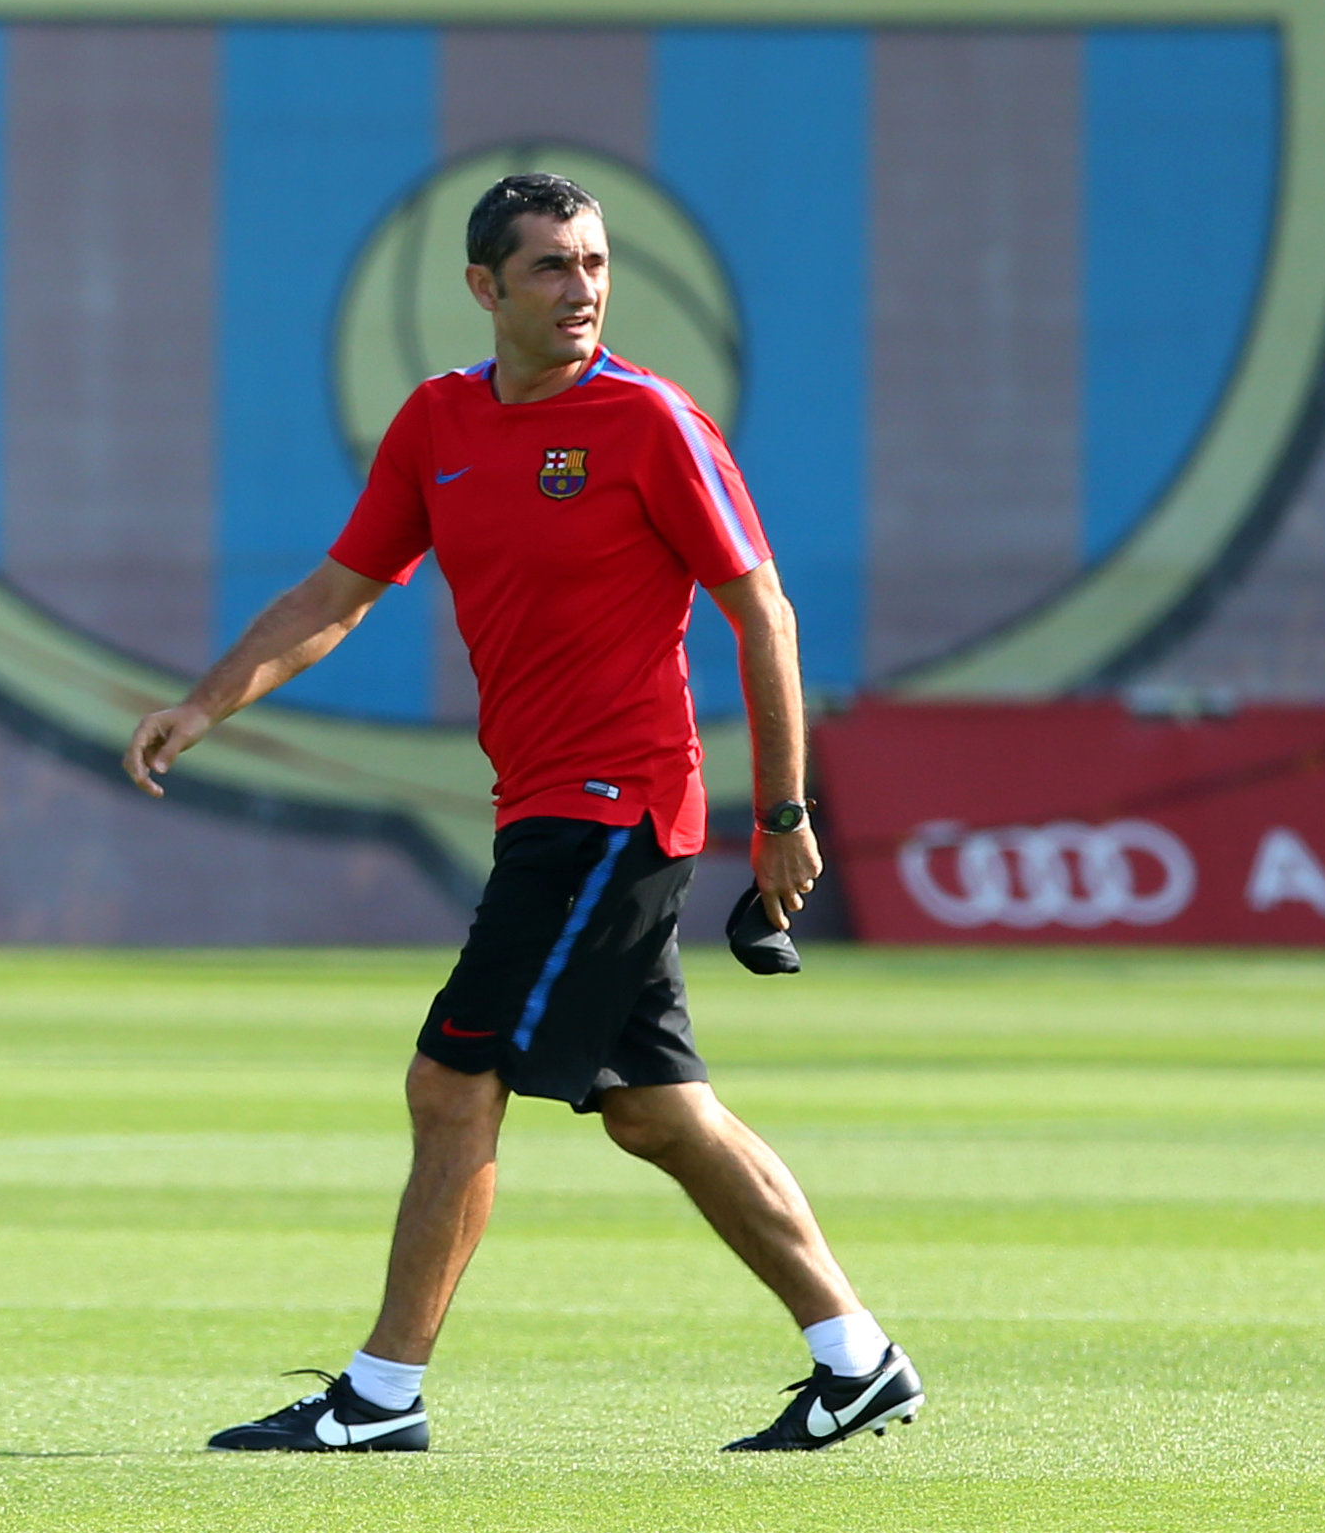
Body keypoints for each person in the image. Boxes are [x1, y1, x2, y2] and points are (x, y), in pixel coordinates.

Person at [122, 169, 921, 1456]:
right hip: (546, 810)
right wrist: (205, 705)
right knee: (654, 1109)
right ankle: (855, 1357)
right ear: (483, 287)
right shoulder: (437, 422)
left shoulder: (652, 421)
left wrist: (781, 810)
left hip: (613, 811)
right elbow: (341, 590)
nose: (582, 288)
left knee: (452, 1083)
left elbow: (760, 612)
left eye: (596, 263)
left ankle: (381, 1396)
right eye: (550, 266)